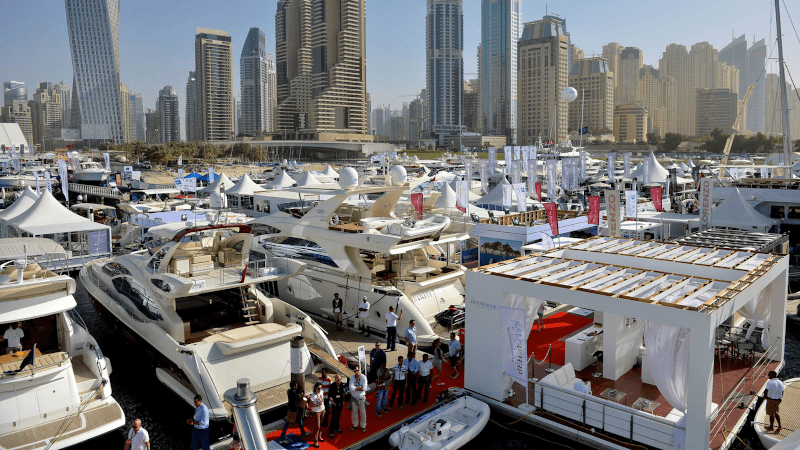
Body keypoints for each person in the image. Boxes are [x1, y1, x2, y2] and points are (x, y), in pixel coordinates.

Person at [349, 366, 368, 432]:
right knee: (354, 412)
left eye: (357, 370)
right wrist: (359, 388)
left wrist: (355, 388)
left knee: (363, 412)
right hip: (354, 398)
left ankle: (363, 426)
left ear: (359, 370)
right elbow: (350, 388)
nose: (356, 372)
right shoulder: (352, 378)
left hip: (361, 398)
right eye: (355, 371)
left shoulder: (363, 377)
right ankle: (355, 425)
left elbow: (364, 388)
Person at [308, 382, 326, 447]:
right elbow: (310, 405)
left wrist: (323, 408)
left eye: (321, 388)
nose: (320, 389)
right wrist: (317, 405)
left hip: (322, 410)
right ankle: (315, 441)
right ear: (315, 388)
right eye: (318, 388)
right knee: (317, 426)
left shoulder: (321, 392)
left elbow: (323, 399)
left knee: (321, 424)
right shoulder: (313, 396)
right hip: (316, 411)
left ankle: (319, 437)